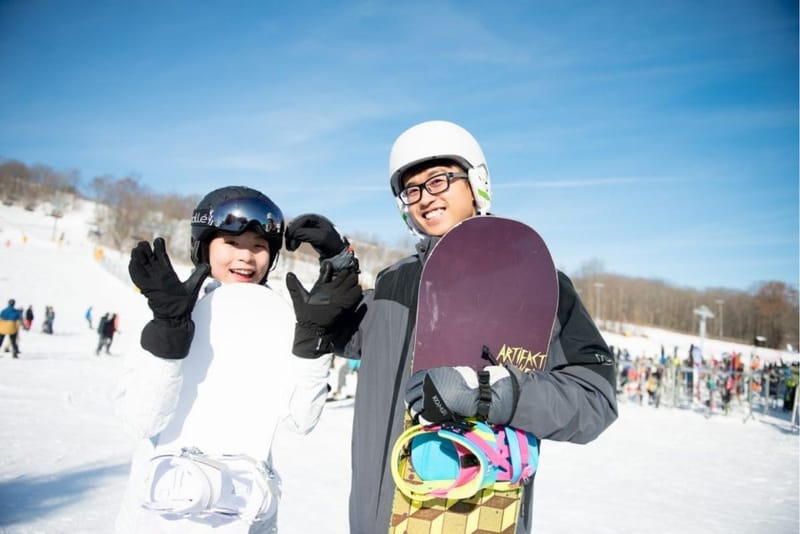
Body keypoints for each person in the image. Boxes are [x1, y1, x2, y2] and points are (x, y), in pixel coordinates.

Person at [283, 120, 618, 533]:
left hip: (474, 512)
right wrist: (338, 270)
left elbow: (593, 399)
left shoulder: (536, 282)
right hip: (375, 518)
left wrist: (489, 395)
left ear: (476, 182)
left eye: (439, 180)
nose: (426, 197)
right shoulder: (395, 281)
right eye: (412, 189)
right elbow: (351, 337)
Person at [114, 186, 344, 533]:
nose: (246, 257)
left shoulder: (280, 320)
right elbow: (141, 421)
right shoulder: (170, 310)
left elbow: (301, 419)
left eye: (259, 246)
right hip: (162, 511)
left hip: (245, 511)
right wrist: (169, 332)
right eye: (232, 243)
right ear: (204, 246)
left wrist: (314, 343)